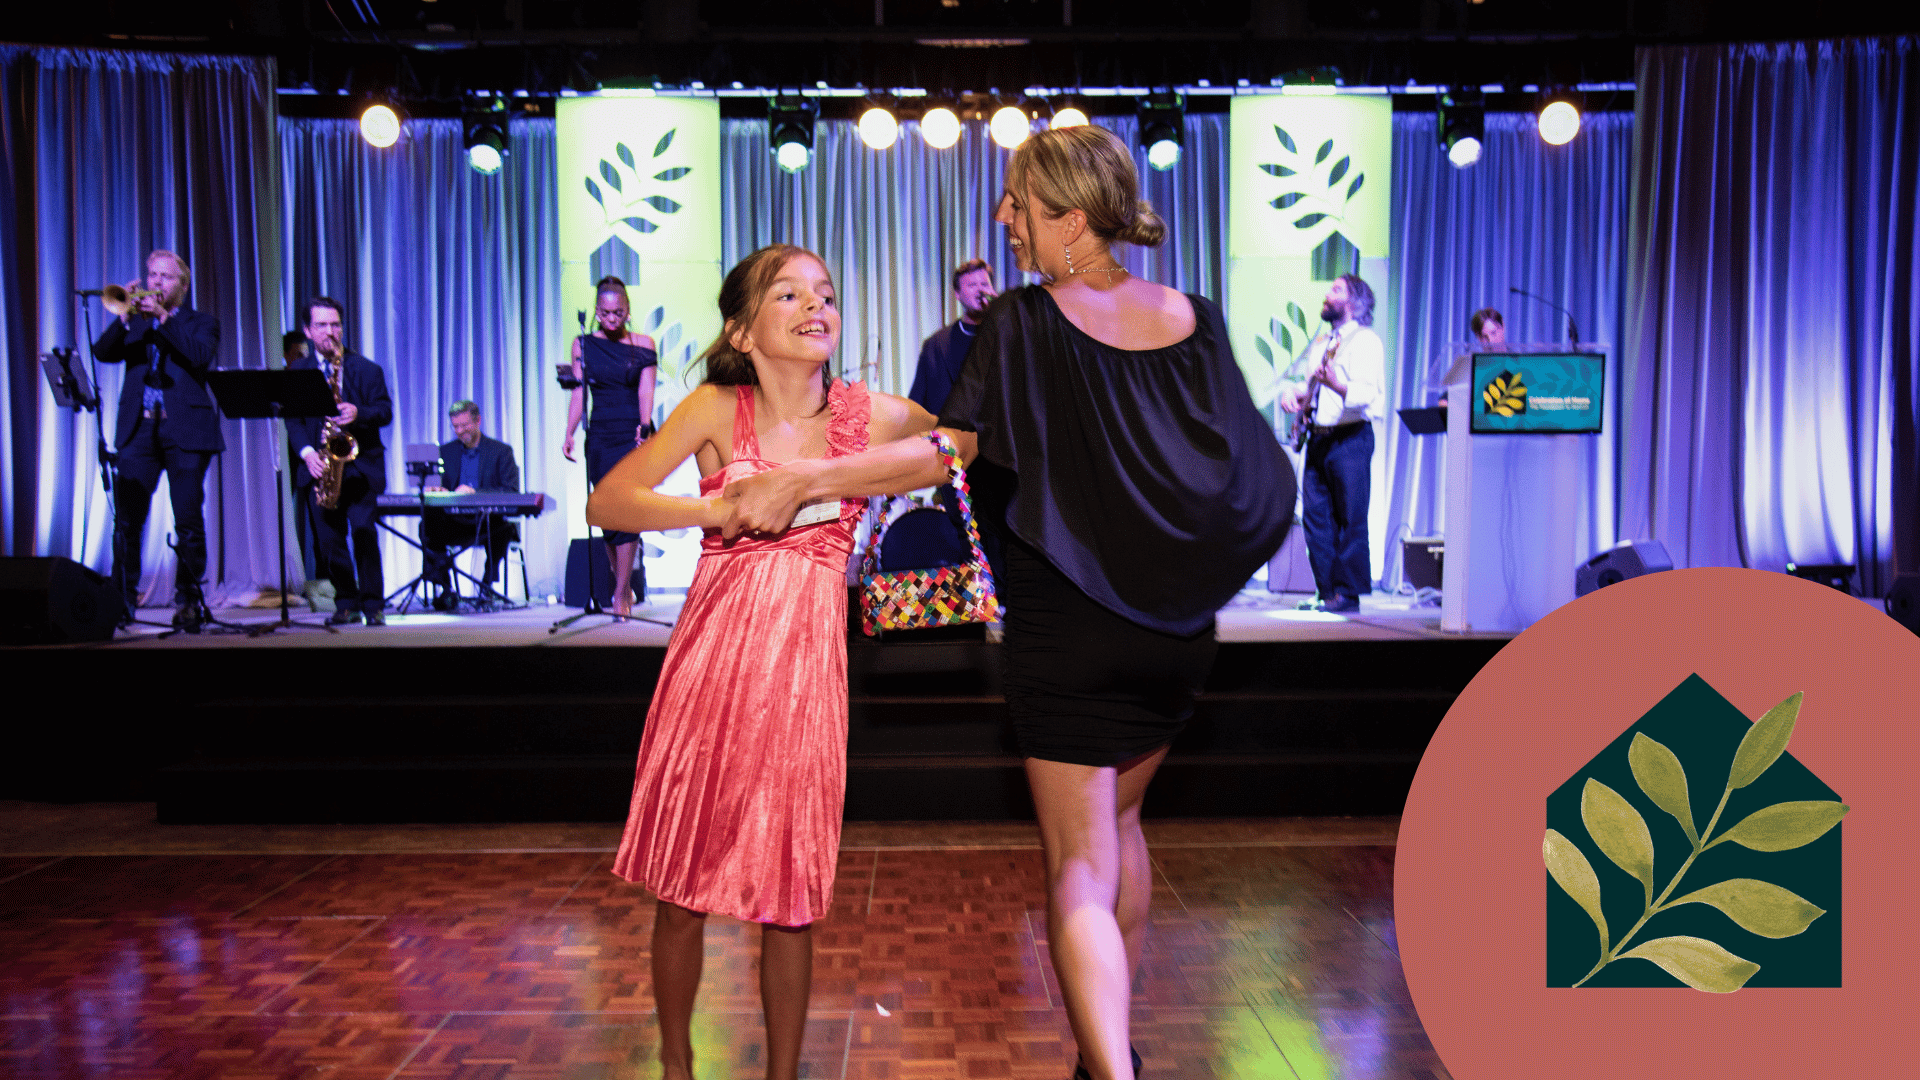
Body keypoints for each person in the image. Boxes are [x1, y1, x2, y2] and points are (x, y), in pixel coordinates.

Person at [720, 128, 1294, 1080]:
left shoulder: (1023, 322)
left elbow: (949, 450)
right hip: (1177, 642)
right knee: (1120, 831)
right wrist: (1183, 574)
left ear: (1069, 215)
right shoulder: (1196, 316)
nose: (1004, 219)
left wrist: (808, 481)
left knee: (1078, 866)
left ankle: (1111, 1070)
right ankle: (1106, 1048)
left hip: (1067, 630)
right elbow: (1252, 477)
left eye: (1016, 201)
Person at [584, 244, 935, 1080]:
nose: (817, 306)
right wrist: (719, 507)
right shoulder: (715, 407)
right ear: (742, 329)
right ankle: (676, 1065)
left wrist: (827, 475)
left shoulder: (866, 414)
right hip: (713, 661)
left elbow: (958, 445)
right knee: (679, 887)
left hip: (809, 670)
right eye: (789, 294)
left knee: (791, 897)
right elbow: (610, 498)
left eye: (826, 293)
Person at [90, 249, 223, 630]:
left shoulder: (202, 322)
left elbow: (199, 356)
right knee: (127, 522)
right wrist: (123, 316)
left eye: (165, 277)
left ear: (183, 284)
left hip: (185, 433)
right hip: (139, 431)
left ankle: (188, 601)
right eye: (151, 275)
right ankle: (122, 599)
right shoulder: (135, 323)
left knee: (188, 521)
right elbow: (103, 352)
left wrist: (164, 320)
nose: (155, 283)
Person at [1279, 274, 1385, 615]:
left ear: (1353, 303)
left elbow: (1368, 393)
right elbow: (1312, 388)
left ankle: (1347, 593)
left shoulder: (1366, 341)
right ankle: (1326, 592)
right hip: (1320, 437)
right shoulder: (1324, 341)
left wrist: (1339, 385)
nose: (1327, 295)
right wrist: (1294, 395)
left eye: (1335, 290)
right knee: (1316, 519)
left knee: (1350, 517)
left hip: (1351, 437)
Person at [287, 296, 394, 626]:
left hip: (360, 468)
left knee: (363, 532)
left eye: (335, 324)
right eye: (321, 325)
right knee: (329, 542)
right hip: (320, 468)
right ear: (308, 330)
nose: (330, 331)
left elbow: (385, 411)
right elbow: (293, 420)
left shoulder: (366, 369)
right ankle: (346, 601)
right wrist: (307, 455)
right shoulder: (298, 371)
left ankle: (373, 604)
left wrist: (359, 413)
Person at [564, 276, 657, 616]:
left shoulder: (643, 344)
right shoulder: (583, 345)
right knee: (605, 512)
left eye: (618, 312)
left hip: (632, 432)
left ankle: (620, 593)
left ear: (628, 310)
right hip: (600, 434)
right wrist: (569, 432)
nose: (612, 318)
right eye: (605, 313)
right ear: (596, 312)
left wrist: (645, 428)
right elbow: (578, 392)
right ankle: (622, 581)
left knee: (627, 509)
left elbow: (646, 390)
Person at [422, 399, 521, 609]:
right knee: (427, 525)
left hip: (487, 522)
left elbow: (511, 490)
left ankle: (487, 586)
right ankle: (446, 588)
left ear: (478, 421)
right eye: (455, 426)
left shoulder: (501, 451)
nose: (460, 431)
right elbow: (438, 485)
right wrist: (438, 490)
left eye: (464, 425)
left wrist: (475, 493)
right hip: (454, 521)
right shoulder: (445, 452)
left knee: (502, 528)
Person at [907, 258, 997, 416]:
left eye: (984, 284)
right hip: (948, 436)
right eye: (972, 285)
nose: (980, 291)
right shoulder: (935, 345)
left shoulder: (1006, 337)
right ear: (957, 294)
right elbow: (916, 406)